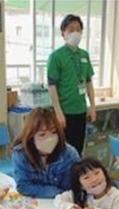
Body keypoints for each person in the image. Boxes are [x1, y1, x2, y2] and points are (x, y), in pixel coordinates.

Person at [47, 14, 96, 155]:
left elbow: (88, 82)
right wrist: (58, 113)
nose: (75, 33)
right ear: (63, 33)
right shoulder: (56, 56)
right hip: (64, 113)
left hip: (80, 111)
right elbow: (52, 86)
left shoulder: (84, 55)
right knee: (62, 153)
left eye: (78, 29)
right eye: (71, 29)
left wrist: (92, 107)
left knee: (77, 151)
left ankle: (75, 177)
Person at [12, 108, 80, 198]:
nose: (50, 138)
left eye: (54, 132)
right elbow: (23, 186)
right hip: (34, 203)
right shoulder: (20, 153)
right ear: (31, 137)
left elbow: (69, 190)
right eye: (42, 134)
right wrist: (53, 191)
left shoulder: (69, 154)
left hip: (62, 204)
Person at [54, 157, 119, 209]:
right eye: (86, 177)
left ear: (104, 173)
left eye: (97, 173)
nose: (94, 179)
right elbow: (58, 199)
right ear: (80, 185)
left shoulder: (117, 197)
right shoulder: (82, 194)